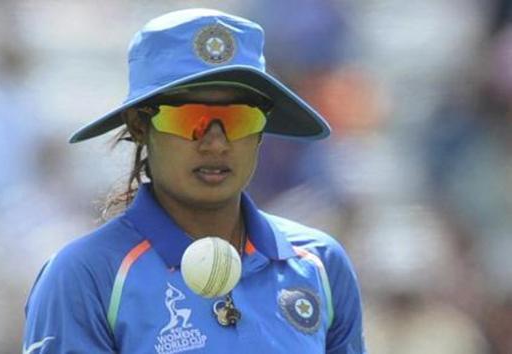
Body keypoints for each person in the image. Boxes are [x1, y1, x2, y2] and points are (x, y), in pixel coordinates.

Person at [23, 8, 366, 354]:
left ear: (261, 130)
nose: (216, 143)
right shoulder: (86, 275)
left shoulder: (319, 263)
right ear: (140, 126)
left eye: (239, 120)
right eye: (190, 119)